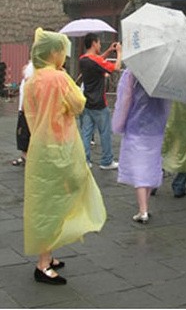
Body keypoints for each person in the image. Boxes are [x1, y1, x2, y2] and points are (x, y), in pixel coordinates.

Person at [23, 28, 107, 285]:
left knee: (45, 202)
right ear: (54, 52)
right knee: (59, 199)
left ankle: (48, 254)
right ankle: (43, 263)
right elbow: (79, 103)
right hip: (61, 147)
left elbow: (30, 113)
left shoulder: (34, 79)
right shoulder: (58, 78)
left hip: (41, 147)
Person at [112, 69, 171, 224]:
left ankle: (142, 210)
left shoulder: (133, 72)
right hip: (156, 128)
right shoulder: (164, 74)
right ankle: (145, 206)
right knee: (151, 166)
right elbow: (167, 103)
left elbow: (125, 99)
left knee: (139, 169)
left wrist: (119, 124)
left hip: (136, 126)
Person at [79, 33, 122, 170]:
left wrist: (109, 51)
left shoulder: (83, 59)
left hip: (87, 102)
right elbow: (116, 68)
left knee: (86, 133)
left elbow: (97, 60)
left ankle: (85, 161)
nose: (100, 45)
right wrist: (119, 53)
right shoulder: (95, 61)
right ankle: (106, 161)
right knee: (105, 132)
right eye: (98, 43)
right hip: (99, 104)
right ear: (93, 43)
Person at [12, 61, 34, 166]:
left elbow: (28, 86)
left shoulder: (34, 67)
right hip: (26, 107)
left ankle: (26, 157)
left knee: (24, 133)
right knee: (24, 133)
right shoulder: (32, 65)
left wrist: (24, 106)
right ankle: (25, 156)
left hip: (27, 108)